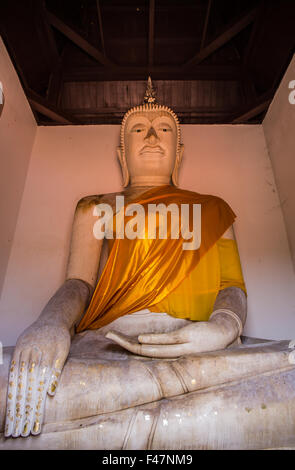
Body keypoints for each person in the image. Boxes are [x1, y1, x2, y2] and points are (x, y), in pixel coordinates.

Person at [4, 78, 247, 439]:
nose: (151, 137)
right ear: (123, 153)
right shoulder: (96, 206)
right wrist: (51, 324)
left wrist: (223, 328)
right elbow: (79, 283)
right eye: (139, 130)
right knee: (14, 375)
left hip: (194, 343)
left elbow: (232, 286)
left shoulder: (212, 209)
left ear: (178, 153)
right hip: (109, 342)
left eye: (163, 129)